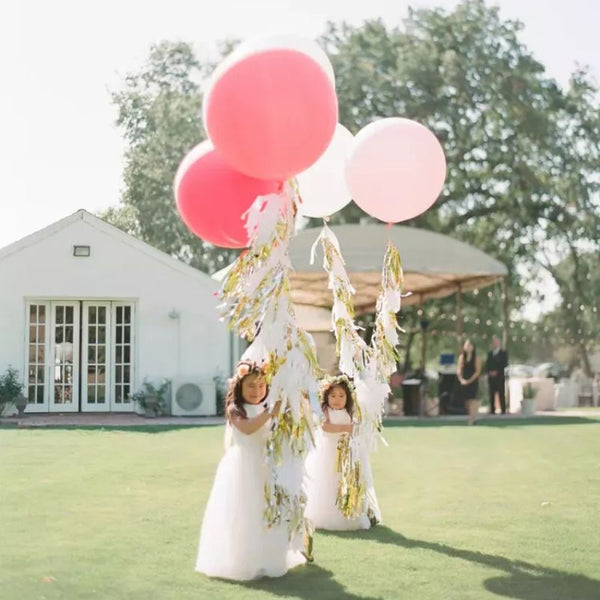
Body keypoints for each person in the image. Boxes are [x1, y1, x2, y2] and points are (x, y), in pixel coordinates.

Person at [195, 360, 306, 580]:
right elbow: (247, 429)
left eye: (261, 386)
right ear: (240, 388)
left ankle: (268, 558)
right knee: (245, 513)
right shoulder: (235, 409)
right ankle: (244, 560)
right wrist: (270, 413)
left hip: (267, 466)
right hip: (243, 467)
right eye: (251, 386)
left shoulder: (268, 406)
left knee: (267, 512)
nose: (257, 391)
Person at [305, 375, 380, 530]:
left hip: (349, 454)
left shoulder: (350, 412)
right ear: (326, 397)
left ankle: (350, 512)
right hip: (329, 453)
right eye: (333, 396)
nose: (337, 399)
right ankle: (327, 514)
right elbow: (326, 427)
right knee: (328, 482)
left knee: (347, 482)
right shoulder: (326, 410)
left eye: (341, 396)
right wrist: (346, 428)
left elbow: (358, 428)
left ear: (348, 397)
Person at [457, 340, 482, 425]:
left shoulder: (476, 358)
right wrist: (461, 379)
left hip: (473, 380)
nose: (468, 347)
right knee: (467, 402)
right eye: (467, 345)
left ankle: (472, 419)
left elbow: (478, 371)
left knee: (472, 400)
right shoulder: (461, 357)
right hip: (464, 380)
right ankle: (471, 417)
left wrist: (470, 380)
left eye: (470, 345)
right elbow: (459, 370)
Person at [485, 335, 509, 414]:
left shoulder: (503, 353)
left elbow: (505, 364)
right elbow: (487, 364)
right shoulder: (490, 353)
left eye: (496, 342)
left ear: (499, 343)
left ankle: (503, 410)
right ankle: (492, 410)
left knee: (501, 393)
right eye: (494, 342)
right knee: (491, 393)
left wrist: (497, 371)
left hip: (500, 377)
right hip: (491, 377)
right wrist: (489, 372)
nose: (495, 343)